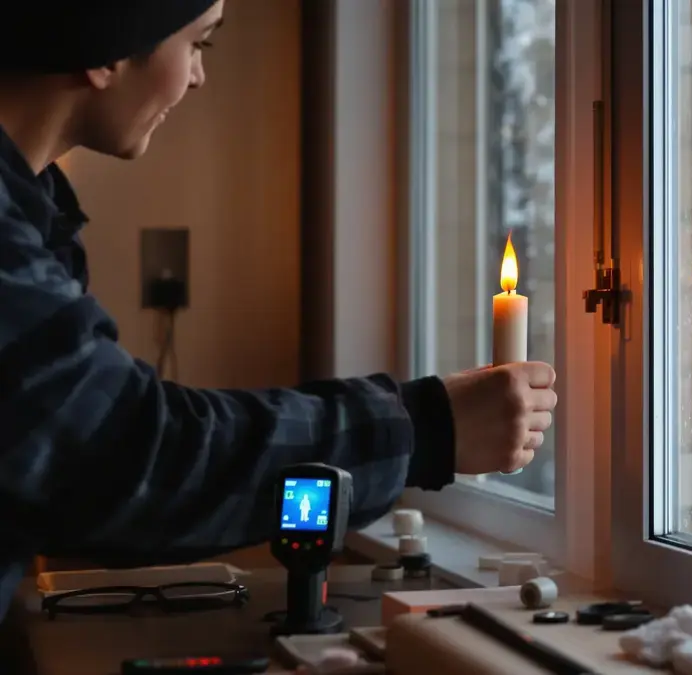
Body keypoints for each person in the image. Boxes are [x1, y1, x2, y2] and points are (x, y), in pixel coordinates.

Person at [0, 0, 557, 620]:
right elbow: (123, 455)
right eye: (199, 44)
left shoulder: (31, 216)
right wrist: (423, 428)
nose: (196, 76)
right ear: (108, 52)